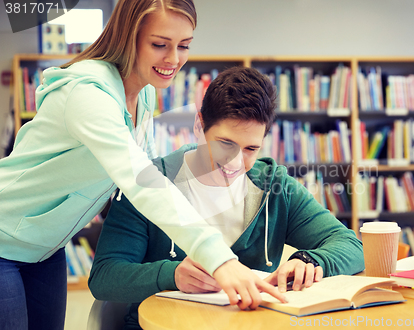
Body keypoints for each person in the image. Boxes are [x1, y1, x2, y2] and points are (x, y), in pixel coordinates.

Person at [0, 1, 285, 329]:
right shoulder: (88, 95)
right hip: (5, 236)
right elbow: (141, 180)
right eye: (159, 44)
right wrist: (220, 258)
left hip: (47, 247)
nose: (173, 59)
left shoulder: (144, 95)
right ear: (128, 36)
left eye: (184, 46)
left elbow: (151, 178)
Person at [88, 66, 365, 329]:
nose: (235, 162)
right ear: (200, 125)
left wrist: (310, 261)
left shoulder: (275, 187)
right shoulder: (148, 182)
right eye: (225, 144)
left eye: (250, 148)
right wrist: (172, 275)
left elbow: (351, 246)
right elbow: (105, 276)